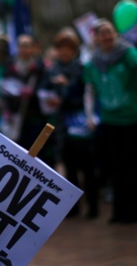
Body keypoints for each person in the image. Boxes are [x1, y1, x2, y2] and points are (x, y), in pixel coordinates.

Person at [83, 19, 137, 224]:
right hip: (110, 121)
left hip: (131, 119)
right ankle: (119, 212)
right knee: (115, 168)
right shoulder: (93, 62)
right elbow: (90, 90)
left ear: (115, 34)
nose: (107, 36)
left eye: (110, 32)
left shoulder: (126, 53)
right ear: (97, 37)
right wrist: (90, 115)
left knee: (132, 166)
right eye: (103, 33)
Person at [47, 27, 99, 219]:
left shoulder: (81, 68)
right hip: (61, 125)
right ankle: (73, 207)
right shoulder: (52, 69)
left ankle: (93, 205)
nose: (64, 51)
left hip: (80, 124)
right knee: (69, 167)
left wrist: (65, 89)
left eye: (68, 48)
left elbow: (87, 96)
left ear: (74, 49)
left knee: (87, 167)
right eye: (61, 47)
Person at [0, 34, 54, 165]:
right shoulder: (9, 68)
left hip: (35, 118)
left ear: (32, 48)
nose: (23, 50)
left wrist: (33, 93)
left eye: (26, 46)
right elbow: (3, 91)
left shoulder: (41, 68)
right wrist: (6, 110)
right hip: (16, 118)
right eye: (21, 46)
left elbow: (47, 89)